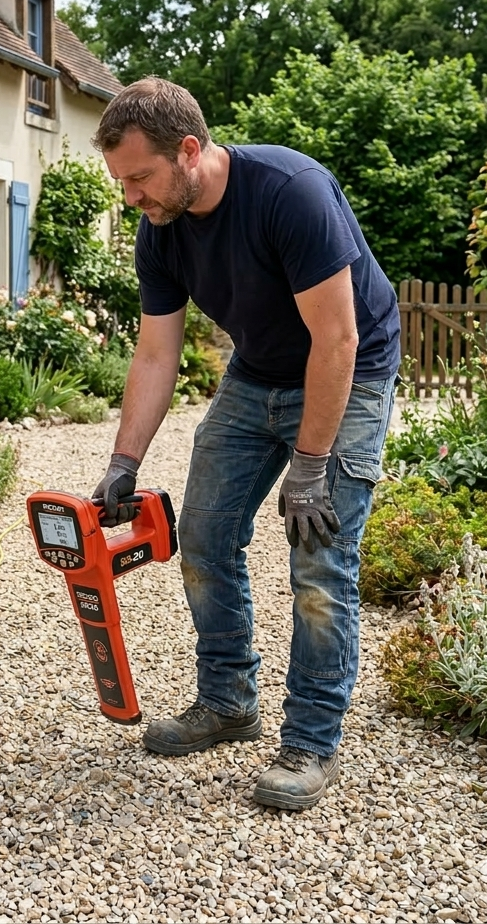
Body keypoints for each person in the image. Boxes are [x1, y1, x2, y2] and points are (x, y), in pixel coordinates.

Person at [91, 77, 400, 810]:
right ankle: (228, 702)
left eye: (138, 177)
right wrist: (123, 461)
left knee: (320, 561)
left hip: (348, 374)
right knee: (202, 536)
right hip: (256, 373)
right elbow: (156, 355)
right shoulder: (159, 228)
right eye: (121, 182)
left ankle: (311, 741)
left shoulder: (290, 191)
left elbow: (338, 336)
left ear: (188, 151)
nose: (130, 196)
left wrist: (312, 465)